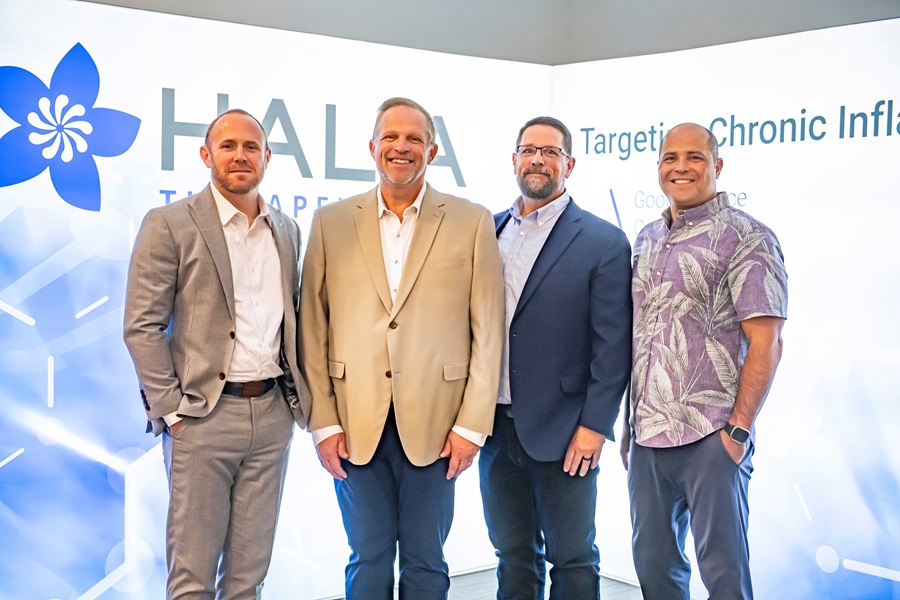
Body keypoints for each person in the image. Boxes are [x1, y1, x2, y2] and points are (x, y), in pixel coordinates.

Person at [299, 97, 504, 600]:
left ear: (432, 151)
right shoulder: (330, 222)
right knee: (367, 558)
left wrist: (471, 426)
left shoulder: (471, 221)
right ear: (372, 148)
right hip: (352, 422)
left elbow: (488, 330)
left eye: (414, 138)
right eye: (390, 136)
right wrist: (323, 422)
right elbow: (312, 329)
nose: (401, 146)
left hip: (438, 424)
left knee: (426, 560)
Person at [124, 109, 311, 599]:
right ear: (206, 155)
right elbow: (141, 325)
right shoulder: (169, 224)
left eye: (251, 147)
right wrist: (173, 411)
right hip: (202, 419)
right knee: (192, 578)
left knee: (249, 576)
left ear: (267, 157)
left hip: (271, 417)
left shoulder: (287, 230)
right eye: (228, 146)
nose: (240, 156)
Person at [621, 123, 788, 599]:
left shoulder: (748, 236)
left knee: (725, 577)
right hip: (648, 438)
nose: (681, 167)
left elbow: (767, 342)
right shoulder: (647, 238)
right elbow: (641, 337)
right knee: (654, 570)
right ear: (658, 167)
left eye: (694, 156)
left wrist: (738, 431)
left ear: (717, 165)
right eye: (670, 157)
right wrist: (628, 424)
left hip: (711, 437)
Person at [478, 116, 632, 599]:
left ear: (570, 164)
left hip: (566, 432)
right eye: (529, 150)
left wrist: (594, 426)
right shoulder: (488, 231)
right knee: (512, 555)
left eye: (550, 152)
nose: (538, 160)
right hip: (494, 428)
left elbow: (613, 347)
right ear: (514, 159)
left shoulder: (603, 241)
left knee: (572, 558)